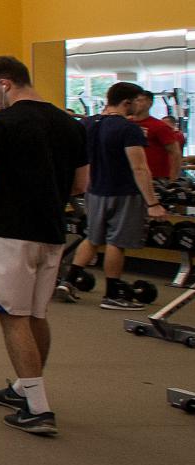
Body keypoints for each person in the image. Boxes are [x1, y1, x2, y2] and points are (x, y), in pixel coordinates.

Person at [0, 56, 87, 436]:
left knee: (12, 315)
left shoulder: (0, 123)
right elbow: (81, 185)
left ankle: (37, 407)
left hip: (8, 229)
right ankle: (24, 388)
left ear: (5, 83)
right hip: (52, 229)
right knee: (36, 313)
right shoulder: (71, 124)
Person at [65, 82, 163, 311]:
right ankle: (112, 295)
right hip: (123, 192)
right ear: (126, 102)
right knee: (116, 243)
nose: (141, 105)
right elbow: (139, 168)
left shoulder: (88, 123)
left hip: (94, 191)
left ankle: (69, 281)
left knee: (92, 238)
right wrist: (153, 202)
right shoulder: (129, 129)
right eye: (138, 101)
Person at [130, 92, 185, 180]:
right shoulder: (126, 124)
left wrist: (173, 179)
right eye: (134, 101)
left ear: (149, 103)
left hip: (156, 178)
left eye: (140, 100)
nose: (136, 103)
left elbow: (175, 153)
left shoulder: (159, 126)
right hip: (132, 177)